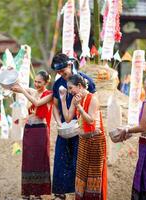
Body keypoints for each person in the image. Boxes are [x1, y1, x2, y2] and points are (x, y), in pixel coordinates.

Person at [51, 53, 96, 199]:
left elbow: (92, 105)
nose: (60, 74)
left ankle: (80, 192)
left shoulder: (84, 80)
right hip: (66, 126)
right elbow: (56, 107)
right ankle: (61, 192)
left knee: (79, 159)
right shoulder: (58, 84)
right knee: (61, 157)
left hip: (83, 127)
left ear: (70, 65)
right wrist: (60, 124)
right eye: (58, 72)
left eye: (62, 71)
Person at [60, 74, 107, 200]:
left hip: (95, 141)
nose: (69, 92)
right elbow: (68, 118)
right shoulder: (76, 98)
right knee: (81, 174)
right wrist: (63, 100)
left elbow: (91, 120)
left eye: (71, 88)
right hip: (83, 140)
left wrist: (79, 107)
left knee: (93, 175)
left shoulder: (92, 98)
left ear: (79, 86)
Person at [11, 70, 53, 200]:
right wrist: (12, 79)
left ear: (46, 83)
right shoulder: (32, 91)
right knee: (28, 160)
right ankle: (27, 192)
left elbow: (37, 103)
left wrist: (24, 91)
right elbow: (16, 87)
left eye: (39, 82)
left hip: (40, 130)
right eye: (35, 81)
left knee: (39, 160)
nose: (36, 84)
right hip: (29, 129)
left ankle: (38, 192)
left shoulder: (49, 94)